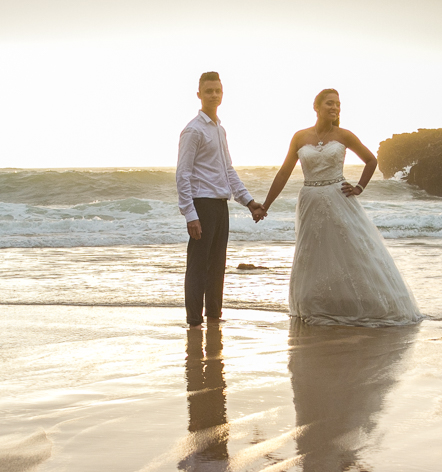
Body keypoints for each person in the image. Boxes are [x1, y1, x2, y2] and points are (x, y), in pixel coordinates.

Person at [260, 89, 421, 326]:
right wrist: (265, 205)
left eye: (338, 104)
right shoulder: (299, 137)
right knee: (314, 255)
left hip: (339, 199)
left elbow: (371, 160)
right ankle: (318, 305)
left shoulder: (344, 135)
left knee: (352, 252)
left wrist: (359, 188)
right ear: (316, 107)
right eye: (329, 103)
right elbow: (284, 172)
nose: (334, 108)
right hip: (310, 201)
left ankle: (365, 304)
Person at [177, 72, 266, 330]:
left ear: (222, 94)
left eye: (217, 90)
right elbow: (182, 174)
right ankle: (194, 321)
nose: (214, 95)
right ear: (199, 95)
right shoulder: (193, 130)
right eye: (208, 91)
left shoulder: (220, 129)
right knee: (198, 266)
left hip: (220, 205)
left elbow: (228, 171)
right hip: (201, 204)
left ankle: (214, 317)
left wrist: (249, 202)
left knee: (217, 264)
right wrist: (190, 214)